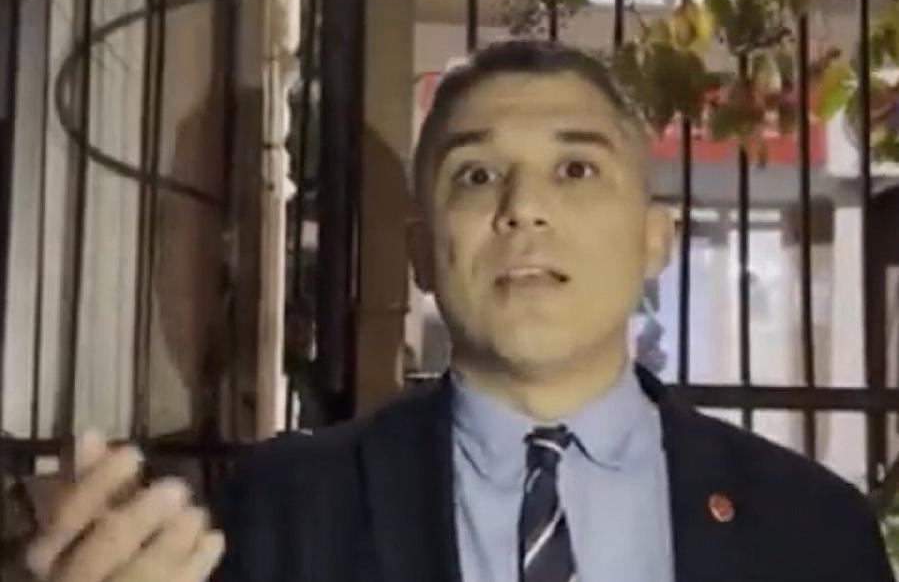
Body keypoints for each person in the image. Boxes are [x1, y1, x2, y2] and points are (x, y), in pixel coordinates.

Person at [24, 40, 895, 582]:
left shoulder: (812, 528)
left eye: (576, 170)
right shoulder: (284, 511)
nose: (523, 207)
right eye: (476, 175)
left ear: (653, 239)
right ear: (420, 253)